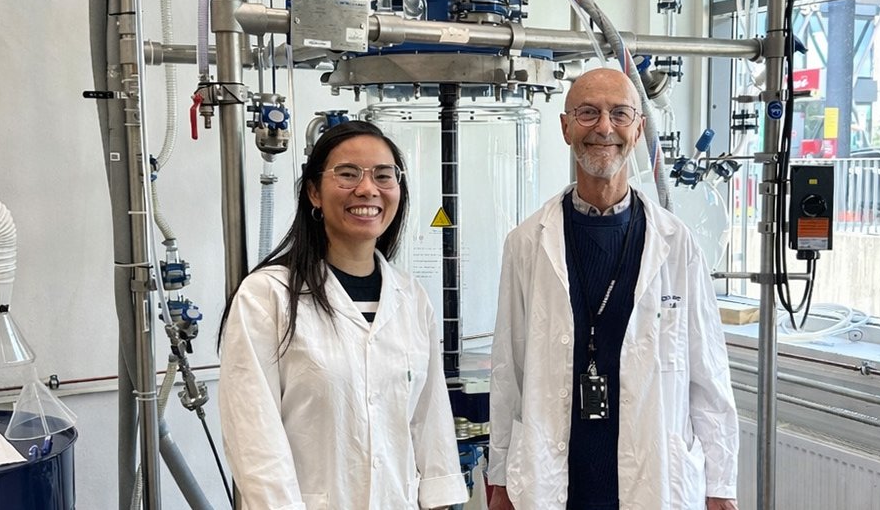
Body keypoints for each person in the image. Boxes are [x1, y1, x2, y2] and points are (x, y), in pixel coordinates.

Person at [487, 68, 739, 510]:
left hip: (653, 477)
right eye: (588, 113)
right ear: (565, 127)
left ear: (639, 129)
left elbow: (709, 377)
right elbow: (509, 371)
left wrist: (721, 486)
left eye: (619, 114)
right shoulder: (527, 243)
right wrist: (500, 477)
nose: (604, 127)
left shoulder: (677, 245)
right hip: (556, 481)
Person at [218, 120, 467, 510]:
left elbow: (430, 421)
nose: (367, 189)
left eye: (384, 176)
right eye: (348, 174)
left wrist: (441, 499)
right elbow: (254, 438)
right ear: (314, 192)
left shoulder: (412, 299)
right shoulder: (267, 296)